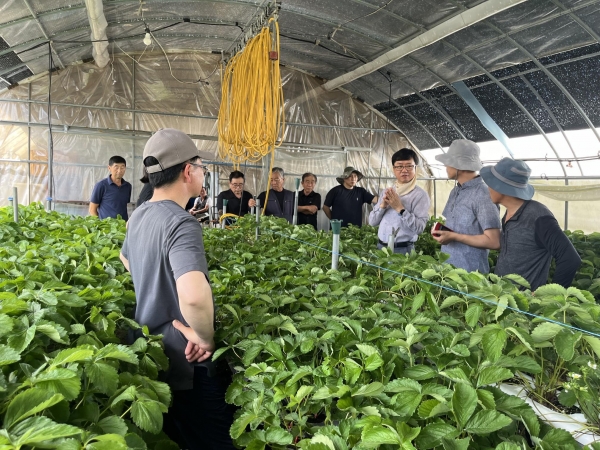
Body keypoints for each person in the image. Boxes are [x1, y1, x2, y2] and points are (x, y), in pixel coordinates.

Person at [119, 129, 235, 450]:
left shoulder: (139, 214)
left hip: (148, 349)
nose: (202, 173)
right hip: (186, 358)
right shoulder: (182, 223)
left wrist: (153, 281)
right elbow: (194, 297)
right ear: (187, 171)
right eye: (201, 167)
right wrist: (205, 338)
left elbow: (125, 258)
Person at [480, 157, 581, 290]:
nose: (488, 188)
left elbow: (570, 258)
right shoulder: (510, 213)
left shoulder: (539, 217)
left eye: (491, 183)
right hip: (503, 296)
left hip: (524, 301)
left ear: (502, 188)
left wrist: (551, 294)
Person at [430, 139, 501, 273]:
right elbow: (454, 225)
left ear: (459, 165)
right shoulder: (456, 190)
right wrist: (442, 232)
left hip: (470, 275)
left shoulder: (483, 194)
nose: (445, 166)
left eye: (448, 162)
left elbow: (494, 241)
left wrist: (454, 237)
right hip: (448, 270)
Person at [368, 149, 430, 254]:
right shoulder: (387, 192)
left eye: (409, 166)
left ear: (415, 168)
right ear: (394, 169)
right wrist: (382, 206)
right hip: (381, 247)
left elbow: (420, 228)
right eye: (399, 166)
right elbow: (372, 222)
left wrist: (400, 209)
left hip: (402, 250)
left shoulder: (420, 195)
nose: (404, 170)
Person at [89, 155, 132, 220]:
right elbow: (92, 209)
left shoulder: (127, 186)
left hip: (123, 224)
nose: (119, 171)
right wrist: (100, 224)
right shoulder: (101, 185)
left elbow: (123, 206)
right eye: (116, 167)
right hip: (107, 225)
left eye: (122, 167)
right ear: (109, 168)